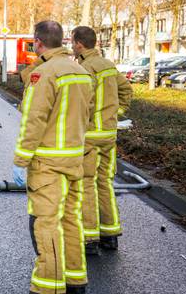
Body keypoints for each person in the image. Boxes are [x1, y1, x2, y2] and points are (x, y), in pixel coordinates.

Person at [12, 21, 93, 294]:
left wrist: (21, 160)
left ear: (38, 42)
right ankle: (75, 280)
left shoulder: (43, 74)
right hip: (75, 160)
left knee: (46, 224)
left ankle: (48, 287)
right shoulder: (81, 72)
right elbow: (86, 115)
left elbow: (33, 120)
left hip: (47, 163)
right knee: (71, 220)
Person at [71, 26, 132, 255]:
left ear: (79, 44)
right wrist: (116, 114)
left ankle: (89, 238)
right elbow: (126, 91)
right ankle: (110, 234)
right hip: (109, 135)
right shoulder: (108, 65)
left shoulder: (85, 69)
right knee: (105, 182)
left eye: (72, 42)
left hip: (89, 137)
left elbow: (83, 103)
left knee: (86, 183)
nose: (71, 46)